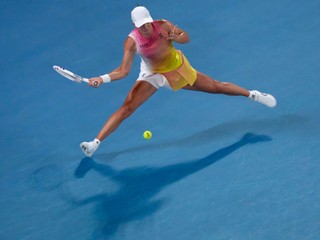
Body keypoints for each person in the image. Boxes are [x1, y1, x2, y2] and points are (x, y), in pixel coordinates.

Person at [80, 6, 277, 157]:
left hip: (177, 69)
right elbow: (123, 71)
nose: (146, 27)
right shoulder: (131, 41)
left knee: (216, 87)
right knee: (126, 108)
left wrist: (176, 36)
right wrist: (102, 79)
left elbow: (186, 38)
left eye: (147, 23)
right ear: (135, 26)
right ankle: (94, 144)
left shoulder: (163, 25)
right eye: (142, 26)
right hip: (152, 75)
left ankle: (253, 95)